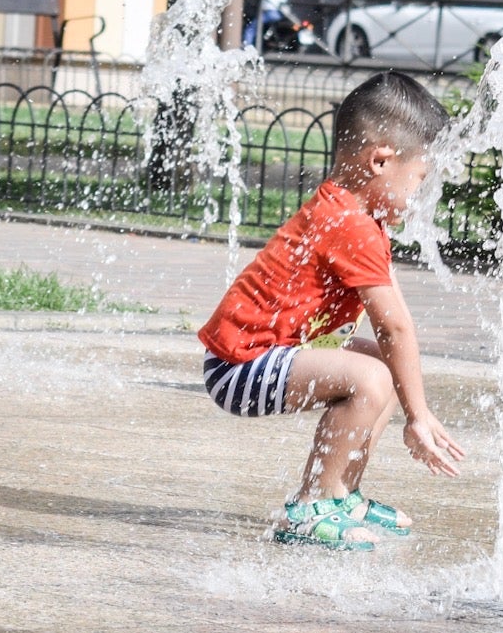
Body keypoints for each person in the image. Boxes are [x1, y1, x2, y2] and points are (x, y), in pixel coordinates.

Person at [197, 71, 465, 550]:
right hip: (239, 366)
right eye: (420, 179)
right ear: (381, 159)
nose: (422, 195)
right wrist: (418, 417)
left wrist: (414, 405)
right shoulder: (349, 223)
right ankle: (309, 506)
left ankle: (342, 495)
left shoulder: (359, 218)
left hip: (270, 355)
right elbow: (395, 325)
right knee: (372, 378)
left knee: (381, 368)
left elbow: (395, 328)